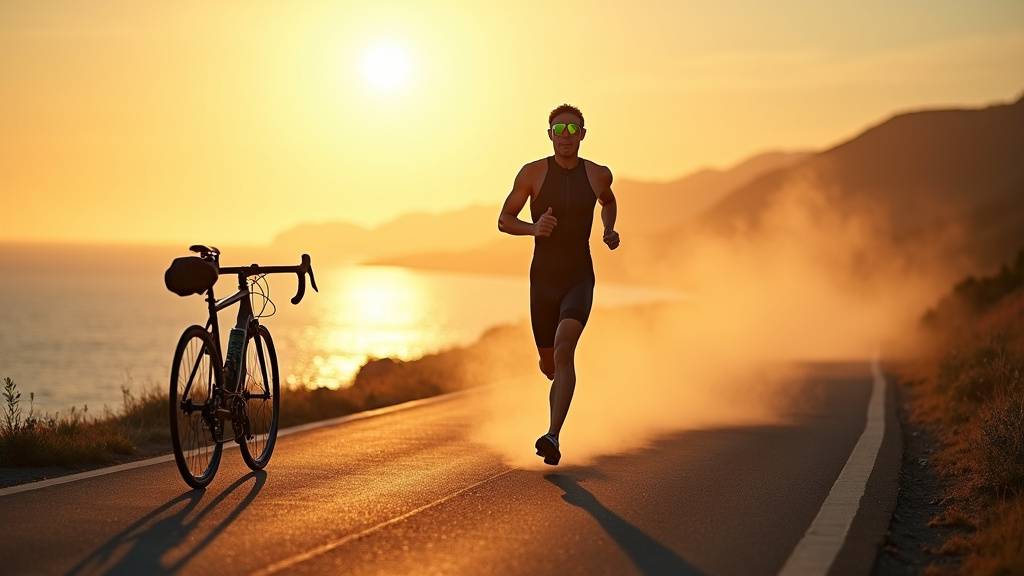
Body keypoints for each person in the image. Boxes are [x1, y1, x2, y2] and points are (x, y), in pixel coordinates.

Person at [497, 103, 620, 465]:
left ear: (583, 134)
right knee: (550, 364)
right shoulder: (532, 173)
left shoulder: (598, 174)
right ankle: (551, 375)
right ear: (550, 135)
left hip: (579, 277)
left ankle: (552, 435)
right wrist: (533, 228)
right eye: (559, 130)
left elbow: (608, 202)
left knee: (565, 350)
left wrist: (609, 229)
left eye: (572, 129)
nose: (566, 136)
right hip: (543, 280)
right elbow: (504, 220)